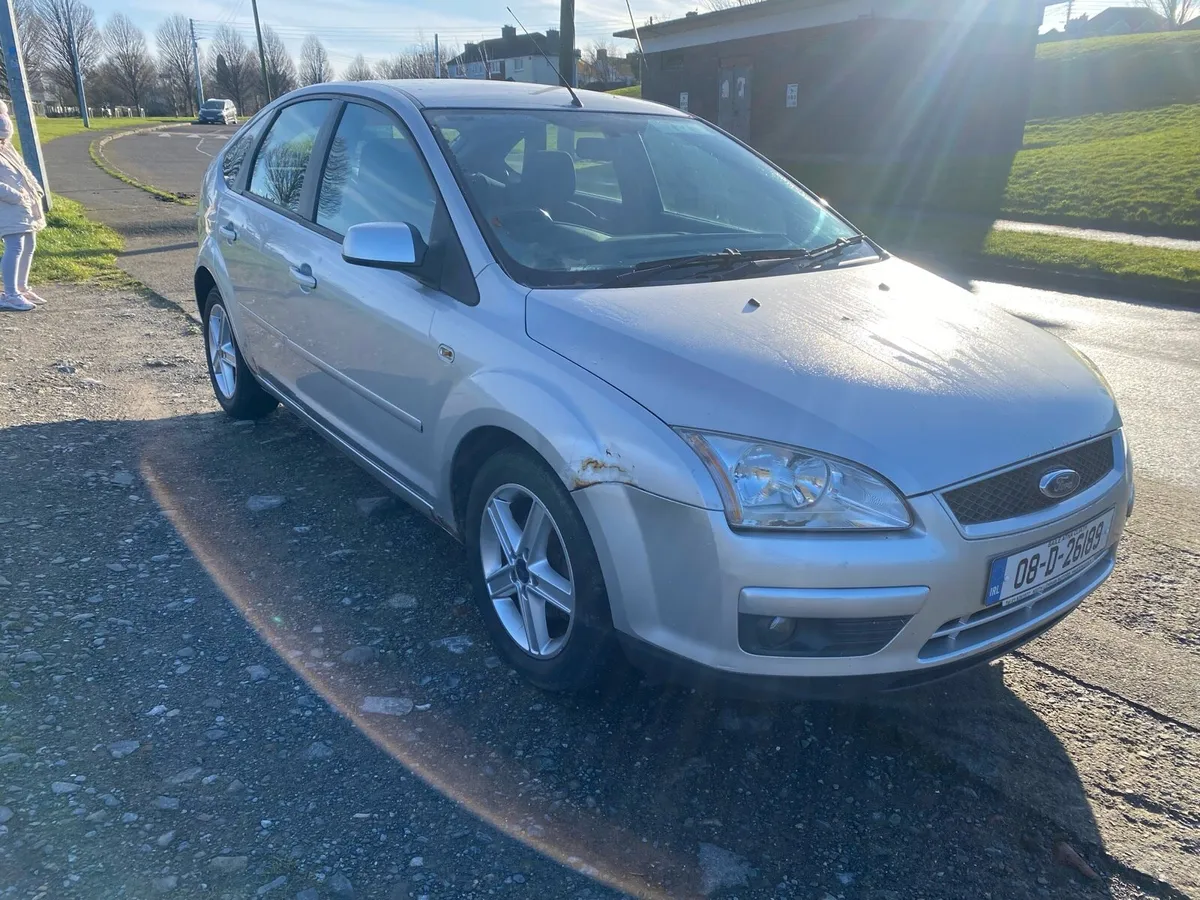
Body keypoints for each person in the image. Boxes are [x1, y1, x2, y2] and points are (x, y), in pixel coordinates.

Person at [0, 99, 47, 312]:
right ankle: (10, 293)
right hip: (8, 208)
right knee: (15, 247)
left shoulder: (7, 149)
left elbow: (23, 171)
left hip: (24, 205)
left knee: (29, 245)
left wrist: (36, 189)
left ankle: (21, 286)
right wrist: (15, 196)